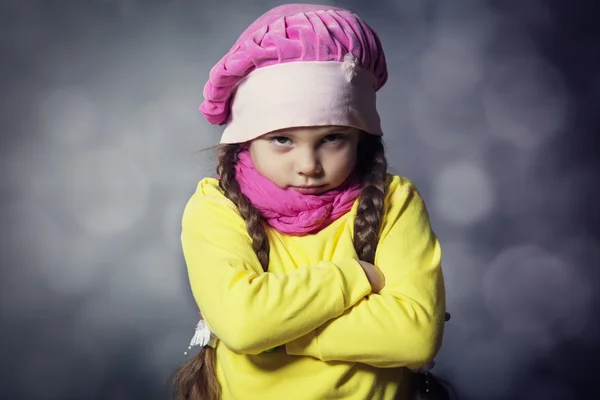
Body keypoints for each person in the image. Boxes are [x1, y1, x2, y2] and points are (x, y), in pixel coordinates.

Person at [173, 4, 449, 400]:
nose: (308, 166)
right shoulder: (216, 207)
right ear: (245, 140)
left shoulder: (395, 202)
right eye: (282, 139)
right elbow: (243, 324)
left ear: (362, 138)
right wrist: (355, 277)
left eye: (332, 138)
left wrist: (277, 335)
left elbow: (415, 337)